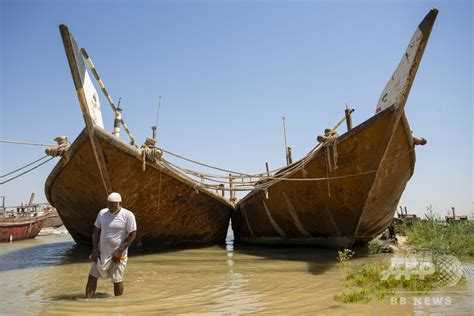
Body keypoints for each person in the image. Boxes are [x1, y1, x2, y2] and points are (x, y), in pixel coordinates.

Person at [85, 192, 137, 298]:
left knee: (117, 280)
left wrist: (120, 250)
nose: (110, 208)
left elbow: (132, 235)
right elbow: (96, 232)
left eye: (113, 205)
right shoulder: (102, 213)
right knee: (92, 276)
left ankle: (118, 304)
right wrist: (95, 249)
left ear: (120, 203)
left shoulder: (128, 215)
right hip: (101, 253)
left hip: (118, 254)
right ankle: (87, 302)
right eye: (108, 205)